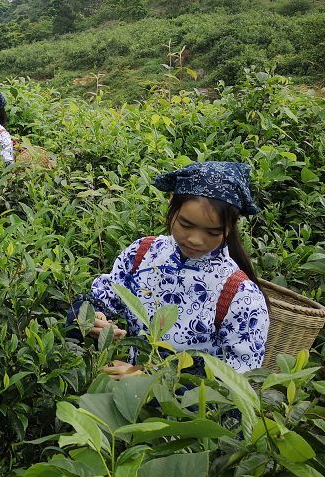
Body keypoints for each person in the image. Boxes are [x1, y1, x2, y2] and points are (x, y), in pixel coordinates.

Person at [75, 161, 270, 376]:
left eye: (212, 232)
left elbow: (237, 383)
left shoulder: (241, 297)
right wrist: (94, 319)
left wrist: (145, 379)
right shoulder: (143, 253)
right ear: (172, 207)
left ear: (230, 227)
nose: (195, 240)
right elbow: (102, 298)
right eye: (185, 225)